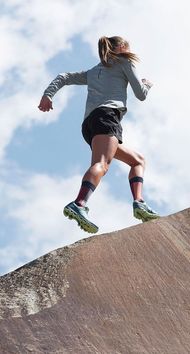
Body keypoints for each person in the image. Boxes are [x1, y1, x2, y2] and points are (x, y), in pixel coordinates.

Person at [38, 36, 159, 234]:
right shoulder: (125, 61)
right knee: (101, 164)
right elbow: (141, 94)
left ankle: (139, 203)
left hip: (90, 125)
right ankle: (79, 203)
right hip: (108, 117)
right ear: (121, 47)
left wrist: (48, 94)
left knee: (137, 161)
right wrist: (147, 84)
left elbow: (64, 76)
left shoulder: (93, 71)